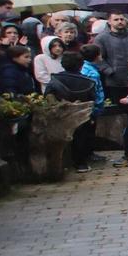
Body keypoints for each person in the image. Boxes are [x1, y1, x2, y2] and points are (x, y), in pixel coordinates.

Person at [44, 45, 100, 173]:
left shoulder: (55, 80)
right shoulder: (88, 82)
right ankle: (81, 163)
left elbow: (47, 96)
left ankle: (60, 163)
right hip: (81, 116)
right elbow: (92, 99)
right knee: (81, 137)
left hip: (60, 115)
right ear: (81, 65)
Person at [93, 12, 128, 102]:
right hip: (114, 82)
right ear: (109, 21)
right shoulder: (101, 38)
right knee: (119, 107)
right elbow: (98, 58)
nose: (120, 21)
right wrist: (109, 71)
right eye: (116, 19)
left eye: (122, 19)